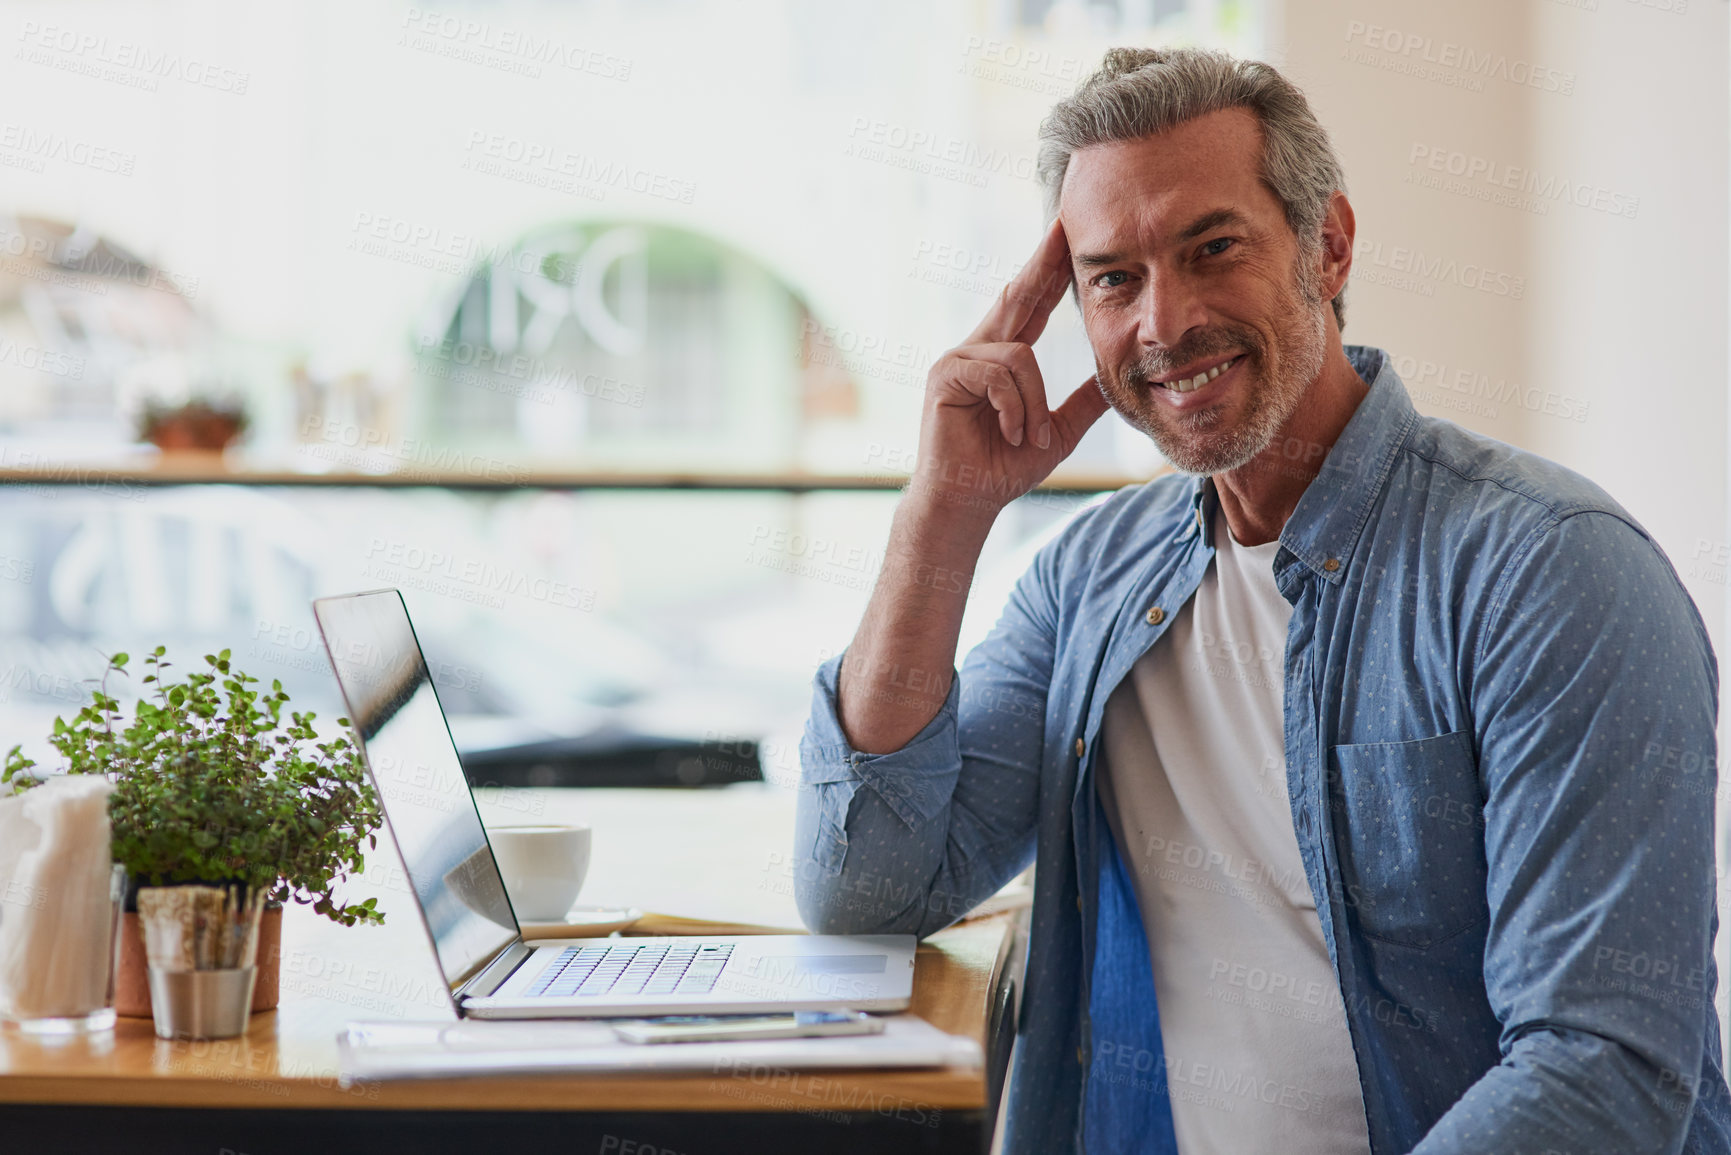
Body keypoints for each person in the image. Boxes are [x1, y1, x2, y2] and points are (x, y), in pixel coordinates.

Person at [793, 46, 1731, 1155]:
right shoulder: (1090, 581)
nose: (1164, 322)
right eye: (1113, 278)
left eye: (1213, 248)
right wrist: (942, 513)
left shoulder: (1551, 573)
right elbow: (869, 885)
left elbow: (1604, 1068)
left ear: (1327, 246)